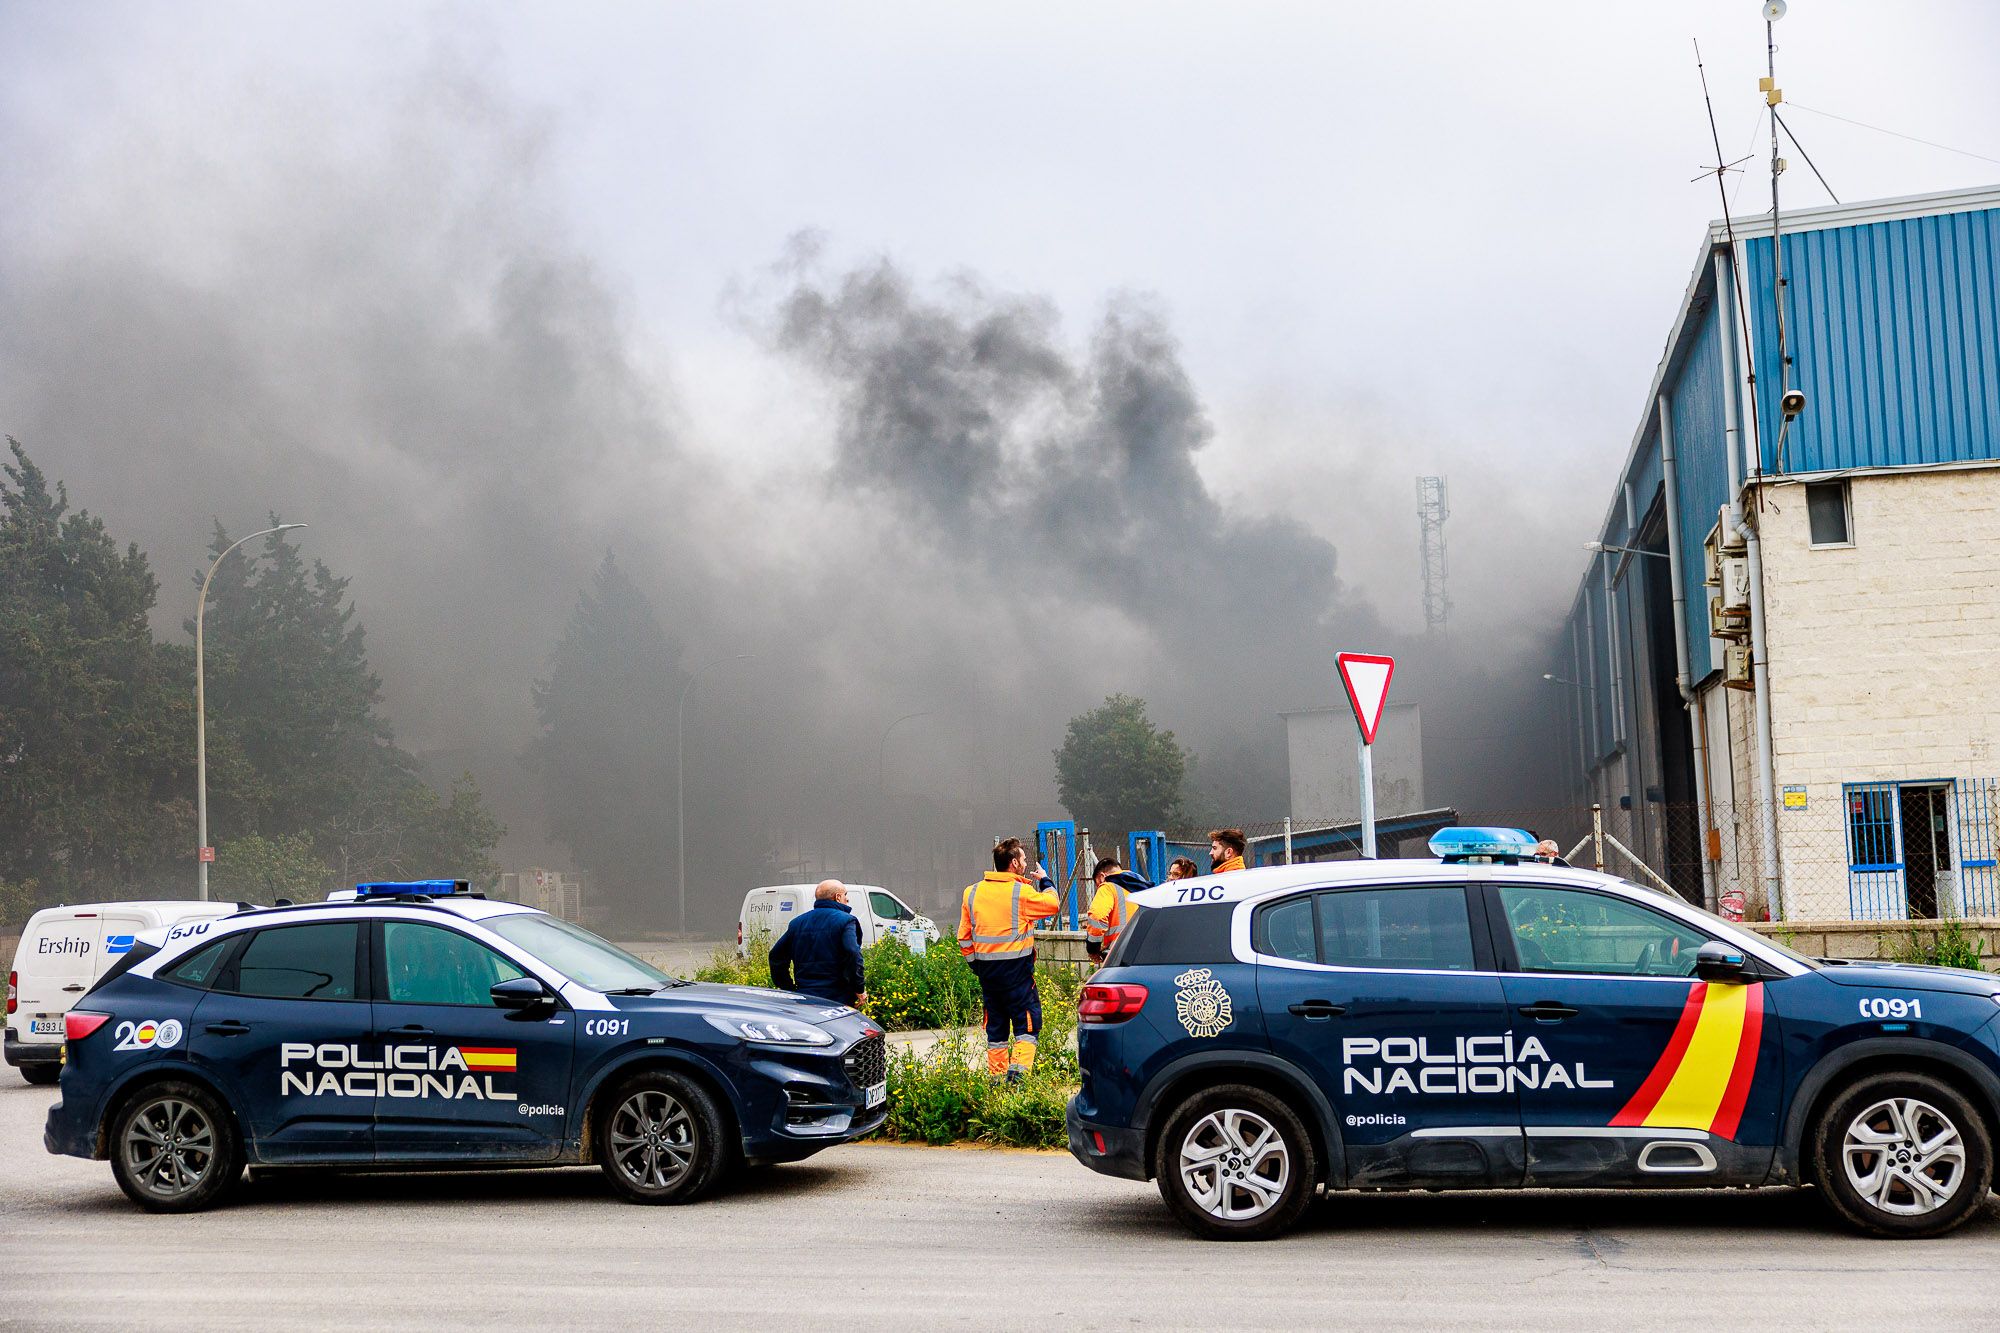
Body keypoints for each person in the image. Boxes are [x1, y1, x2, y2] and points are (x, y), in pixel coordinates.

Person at [959, 838, 1061, 1082]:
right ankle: (1017, 1082)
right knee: (1027, 1027)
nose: (1025, 863)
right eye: (1023, 859)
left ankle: (997, 1083)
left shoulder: (972, 893)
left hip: (988, 978)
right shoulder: (1021, 892)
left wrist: (977, 966)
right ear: (1014, 863)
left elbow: (963, 937)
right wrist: (1045, 880)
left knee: (996, 1032)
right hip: (1018, 977)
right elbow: (1053, 904)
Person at [769, 880, 868, 1008]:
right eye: (845, 895)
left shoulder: (797, 923)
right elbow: (853, 954)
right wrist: (859, 988)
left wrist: (788, 988)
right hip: (838, 998)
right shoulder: (846, 921)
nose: (847, 899)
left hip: (805, 997)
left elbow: (776, 956)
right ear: (838, 897)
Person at [1085, 857, 1150, 964]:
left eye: (1098, 884)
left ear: (1102, 876)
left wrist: (1093, 948)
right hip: (1146, 949)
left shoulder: (1108, 887)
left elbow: (1097, 916)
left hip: (1121, 951)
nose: (1099, 887)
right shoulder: (1143, 886)